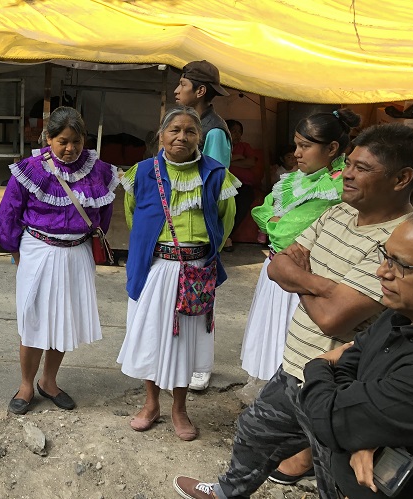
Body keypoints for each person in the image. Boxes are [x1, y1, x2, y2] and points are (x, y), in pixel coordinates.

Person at [173, 122, 413, 499]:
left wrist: (301, 275)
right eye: (348, 164)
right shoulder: (337, 213)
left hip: (341, 385)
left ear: (402, 178)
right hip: (295, 367)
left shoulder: (405, 243)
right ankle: (225, 492)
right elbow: (276, 266)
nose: (347, 175)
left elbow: (332, 318)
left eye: (362, 168)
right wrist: (323, 285)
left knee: (335, 477)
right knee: (253, 435)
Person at [238, 109, 360, 485]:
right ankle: (290, 435)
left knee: (308, 362)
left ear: (333, 148)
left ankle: (306, 453)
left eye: (306, 146)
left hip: (311, 284)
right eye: (296, 145)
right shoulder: (296, 182)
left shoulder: (341, 187)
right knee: (280, 353)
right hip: (281, 275)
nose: (297, 154)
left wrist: (304, 272)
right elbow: (279, 226)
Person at [117, 106, 239, 441]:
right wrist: (155, 252)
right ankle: (151, 404)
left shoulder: (215, 175)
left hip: (195, 273)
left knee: (186, 342)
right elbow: (134, 218)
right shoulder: (142, 173)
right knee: (152, 336)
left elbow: (225, 221)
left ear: (200, 136)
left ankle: (180, 409)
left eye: (189, 131)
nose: (181, 137)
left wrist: (196, 255)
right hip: (154, 268)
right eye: (174, 130)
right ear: (161, 135)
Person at [0, 106, 118, 415]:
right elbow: (8, 214)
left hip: (77, 253)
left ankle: (49, 381)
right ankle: (26, 384)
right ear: (49, 138)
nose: (70, 148)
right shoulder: (31, 170)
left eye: (76, 141)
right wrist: (16, 253)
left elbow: (103, 214)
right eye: (63, 140)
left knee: (64, 317)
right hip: (37, 250)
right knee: (33, 318)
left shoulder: (98, 170)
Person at [300, 211, 413, 499]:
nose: (382, 271)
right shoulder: (398, 314)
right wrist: (361, 429)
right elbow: (349, 362)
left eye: (401, 265)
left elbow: (327, 416)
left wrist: (318, 365)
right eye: (386, 256)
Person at [174, 60, 233, 390]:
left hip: (200, 228)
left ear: (199, 91)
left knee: (200, 298)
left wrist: (212, 236)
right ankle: (182, 361)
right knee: (183, 299)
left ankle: (201, 366)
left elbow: (217, 184)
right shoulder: (188, 124)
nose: (176, 90)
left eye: (182, 84)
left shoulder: (213, 131)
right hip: (179, 228)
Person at [224, 119, 257, 252]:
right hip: (226, 184)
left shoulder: (245, 146)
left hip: (244, 185)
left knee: (243, 202)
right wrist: (237, 157)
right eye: (233, 131)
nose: (237, 135)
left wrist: (231, 160)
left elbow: (251, 163)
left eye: (239, 132)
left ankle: (227, 236)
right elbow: (221, 162)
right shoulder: (223, 146)